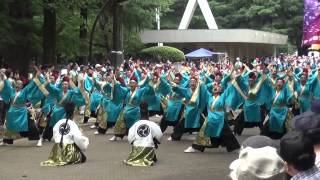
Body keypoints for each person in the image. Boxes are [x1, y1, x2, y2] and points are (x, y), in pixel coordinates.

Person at [41, 101, 89, 167]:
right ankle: (69, 157)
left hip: (57, 150)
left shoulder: (59, 122)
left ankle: (59, 157)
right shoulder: (73, 124)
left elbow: (55, 136)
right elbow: (78, 139)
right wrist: (84, 144)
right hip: (68, 150)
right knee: (83, 157)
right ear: (74, 112)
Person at [124, 102, 162, 166]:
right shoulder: (153, 125)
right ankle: (150, 156)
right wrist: (154, 142)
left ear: (139, 114)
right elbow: (159, 137)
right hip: (149, 148)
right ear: (148, 113)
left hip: (137, 148)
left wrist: (138, 141)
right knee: (153, 137)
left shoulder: (135, 125)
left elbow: (130, 139)